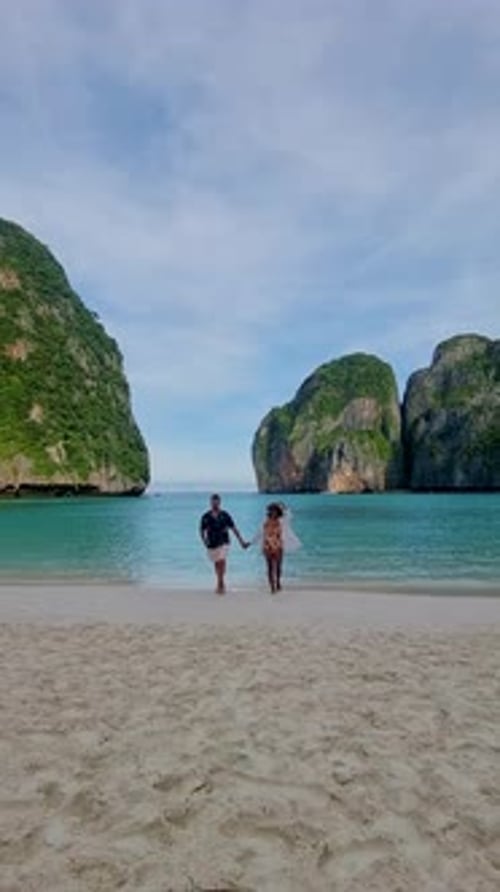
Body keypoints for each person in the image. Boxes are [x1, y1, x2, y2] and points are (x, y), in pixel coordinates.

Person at [200, 493, 249, 594]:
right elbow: (201, 530)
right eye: (213, 501)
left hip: (224, 541)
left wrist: (242, 542)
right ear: (210, 503)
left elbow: (234, 528)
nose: (215, 503)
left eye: (217, 501)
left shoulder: (225, 515)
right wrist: (204, 541)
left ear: (220, 502)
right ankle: (220, 581)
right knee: (217, 563)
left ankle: (220, 583)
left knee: (222, 560)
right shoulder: (206, 516)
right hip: (212, 543)